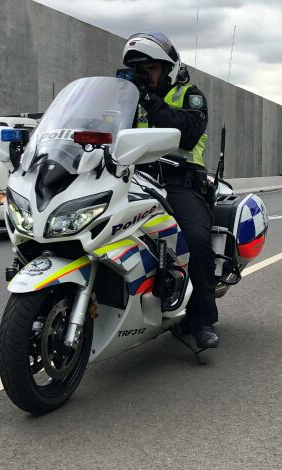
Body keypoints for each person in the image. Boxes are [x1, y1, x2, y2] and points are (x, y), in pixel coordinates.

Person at [122, 31, 219, 349]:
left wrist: (147, 98)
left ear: (166, 68)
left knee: (195, 240)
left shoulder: (189, 95)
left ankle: (202, 319)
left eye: (147, 69)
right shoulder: (131, 101)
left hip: (180, 182)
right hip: (134, 180)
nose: (142, 76)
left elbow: (188, 133)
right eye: (137, 70)